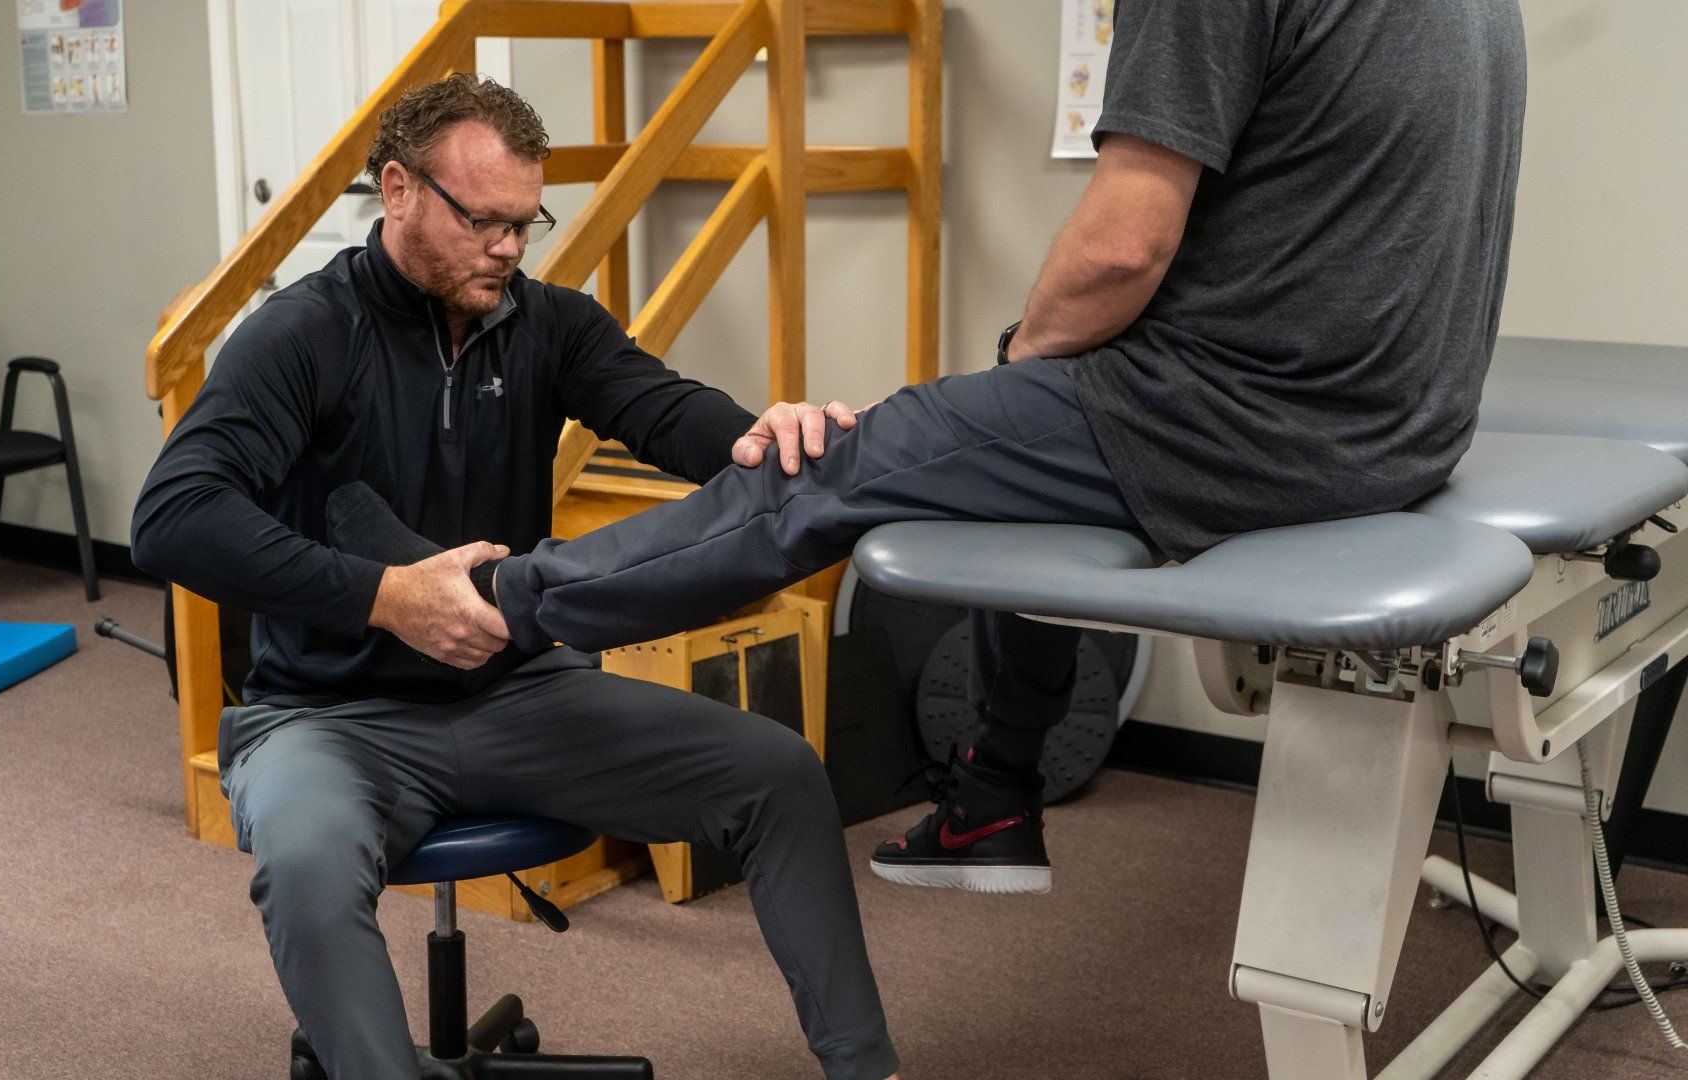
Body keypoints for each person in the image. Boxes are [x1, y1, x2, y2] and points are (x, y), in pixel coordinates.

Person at [442, 0, 1530, 894]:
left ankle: (497, 608)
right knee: (1007, 458)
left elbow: (1120, 249)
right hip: (1403, 424)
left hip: (1244, 421)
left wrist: (1021, 366)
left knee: (850, 463)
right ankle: (994, 799)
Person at [132, 75, 901, 1080]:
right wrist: (387, 598)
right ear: (396, 188)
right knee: (309, 870)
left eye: (525, 220)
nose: (509, 247)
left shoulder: (551, 326)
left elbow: (664, 410)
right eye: (482, 220)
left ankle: (866, 1068)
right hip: (329, 716)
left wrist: (761, 436)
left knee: (780, 775)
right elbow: (171, 517)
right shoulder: (304, 334)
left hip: (519, 692)